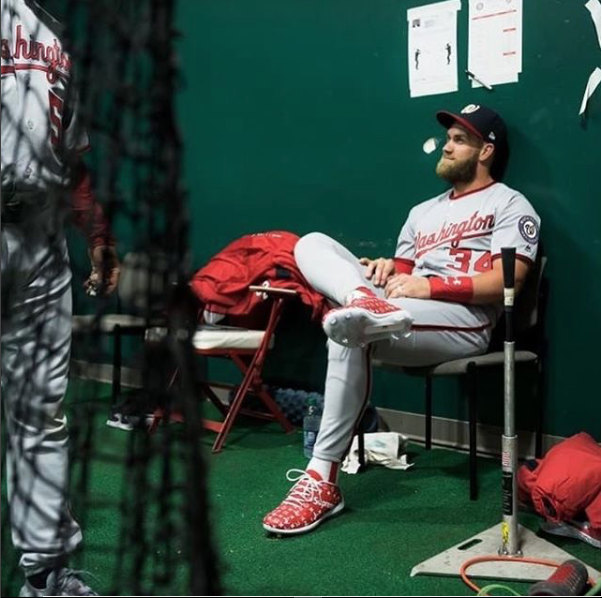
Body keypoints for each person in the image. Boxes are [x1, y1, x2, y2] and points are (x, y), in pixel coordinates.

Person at [262, 104, 541, 535]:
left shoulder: (509, 203)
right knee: (311, 246)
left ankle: (321, 480)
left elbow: (511, 280)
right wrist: (384, 273)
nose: (446, 145)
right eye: (448, 137)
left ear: (486, 151)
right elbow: (406, 274)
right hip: (404, 310)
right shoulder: (421, 212)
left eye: (459, 139)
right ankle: (360, 299)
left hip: (463, 319)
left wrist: (430, 288)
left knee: (348, 330)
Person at [1, 0, 120, 594]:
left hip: (42, 239)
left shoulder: (61, 37)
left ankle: (46, 574)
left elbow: (72, 160)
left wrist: (96, 232)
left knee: (40, 413)